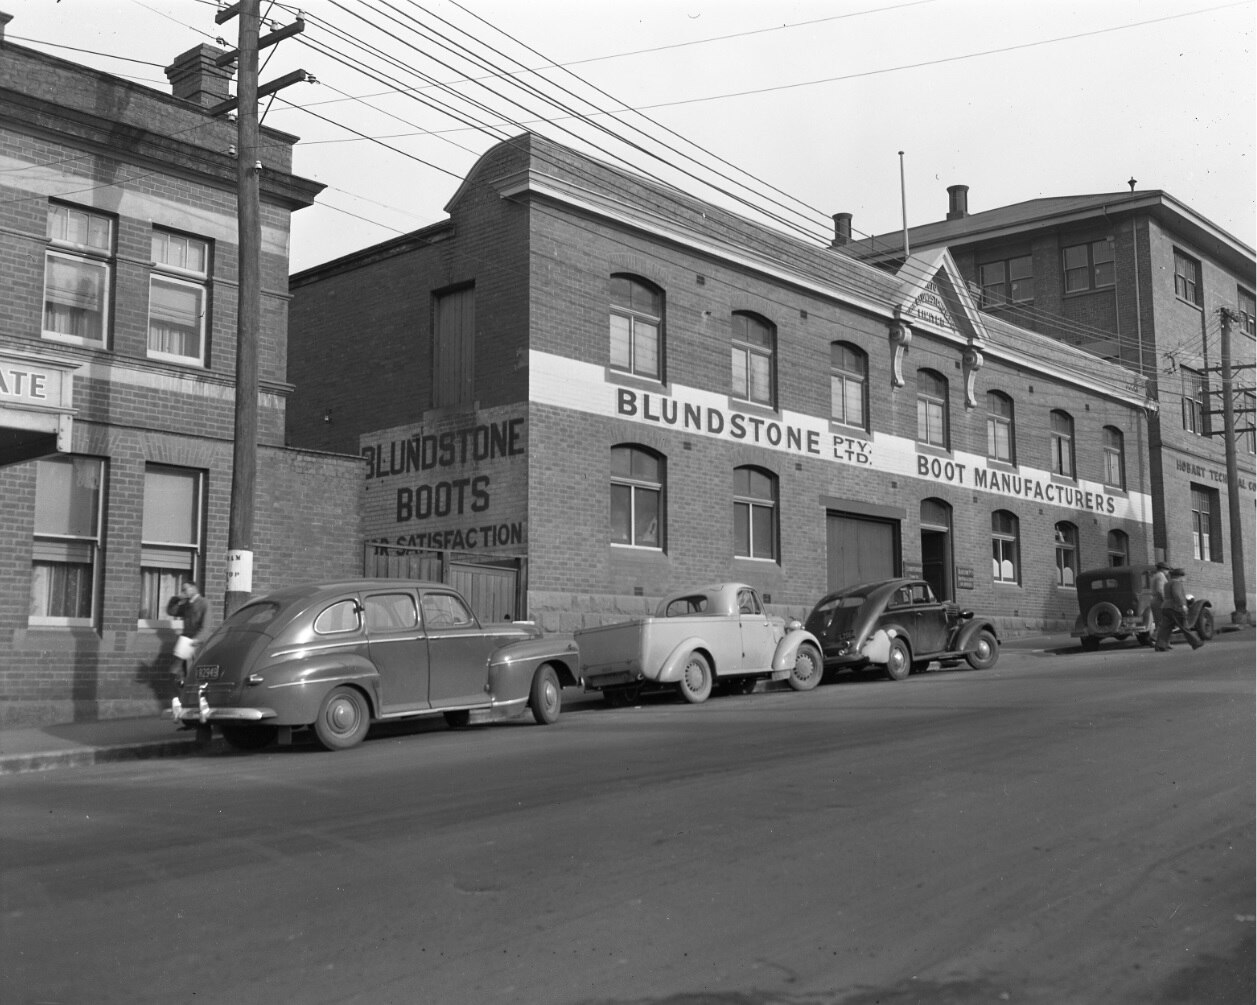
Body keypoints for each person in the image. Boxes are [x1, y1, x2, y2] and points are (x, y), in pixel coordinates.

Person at [1154, 568, 1203, 651]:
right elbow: (1177, 594)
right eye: (1184, 577)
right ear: (1180, 576)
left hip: (1165, 607)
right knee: (1184, 626)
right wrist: (1183, 605)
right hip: (1175, 608)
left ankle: (1160, 645)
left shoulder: (1167, 583)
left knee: (1165, 628)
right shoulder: (1177, 583)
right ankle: (1196, 642)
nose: (1184, 579)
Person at [172, 579, 211, 681]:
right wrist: (177, 599)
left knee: (193, 673)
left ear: (193, 588)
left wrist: (196, 639)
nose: (184, 592)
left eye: (185, 589)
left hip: (196, 643)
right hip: (185, 642)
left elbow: (206, 627)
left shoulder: (204, 603)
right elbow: (171, 611)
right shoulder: (186, 605)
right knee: (179, 672)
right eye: (182, 590)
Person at [1145, 560, 1171, 636]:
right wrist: (1165, 601)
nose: (1168, 571)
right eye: (1167, 569)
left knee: (1159, 622)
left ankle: (1163, 642)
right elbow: (1160, 590)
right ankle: (1155, 638)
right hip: (1159, 601)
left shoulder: (1155, 576)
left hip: (1154, 600)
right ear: (1163, 569)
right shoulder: (1161, 576)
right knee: (1163, 622)